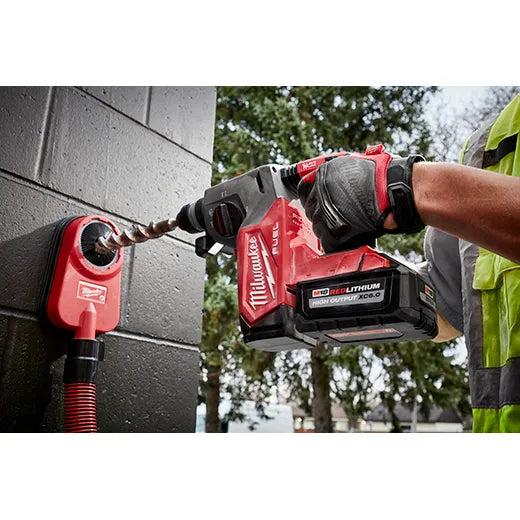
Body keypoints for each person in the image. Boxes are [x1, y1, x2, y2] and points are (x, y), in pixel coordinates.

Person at [297, 94, 520, 433]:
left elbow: (414, 191)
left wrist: (405, 187)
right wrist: (311, 291)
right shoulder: (488, 143)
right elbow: (441, 310)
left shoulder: (447, 181)